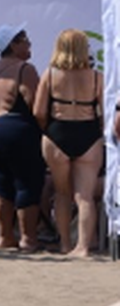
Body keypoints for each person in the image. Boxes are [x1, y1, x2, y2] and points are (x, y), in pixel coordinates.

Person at [34, 29, 104, 256]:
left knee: (62, 193)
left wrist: (49, 130)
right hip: (88, 133)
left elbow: (38, 111)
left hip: (58, 132)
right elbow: (104, 113)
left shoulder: (50, 74)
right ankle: (83, 246)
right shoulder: (96, 76)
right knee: (85, 196)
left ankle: (65, 244)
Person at [0, 23, 43, 251]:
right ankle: (28, 238)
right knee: (27, 183)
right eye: (25, 40)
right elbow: (35, 105)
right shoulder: (24, 69)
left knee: (1, 184)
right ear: (13, 45)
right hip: (18, 129)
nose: (29, 44)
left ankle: (4, 236)